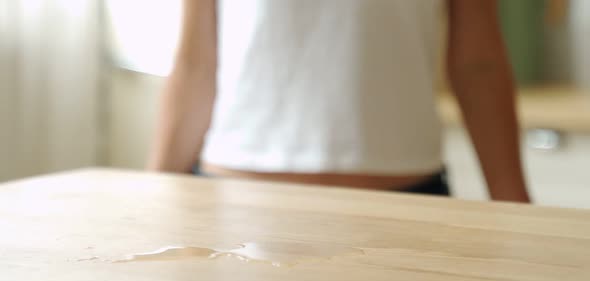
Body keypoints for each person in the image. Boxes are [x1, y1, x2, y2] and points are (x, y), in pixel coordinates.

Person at [148, 0, 530, 202]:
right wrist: (154, 198)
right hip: (232, 205)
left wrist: (515, 207)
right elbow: (197, 62)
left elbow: (478, 64)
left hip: (407, 209)